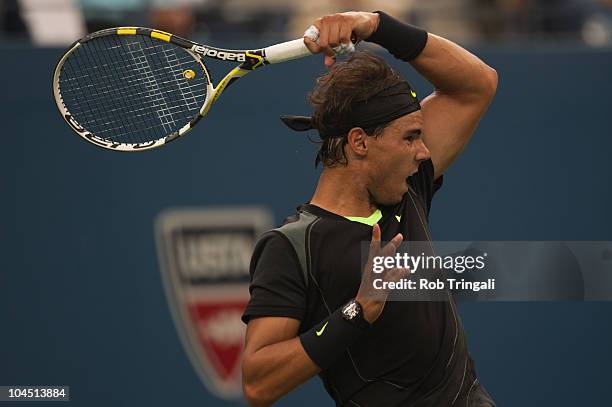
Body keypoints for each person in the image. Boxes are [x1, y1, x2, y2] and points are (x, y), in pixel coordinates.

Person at [241, 10, 498, 407]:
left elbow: (477, 84)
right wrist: (357, 312)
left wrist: (377, 26)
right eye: (410, 137)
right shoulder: (292, 247)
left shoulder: (408, 186)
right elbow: (258, 383)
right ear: (360, 142)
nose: (424, 150)